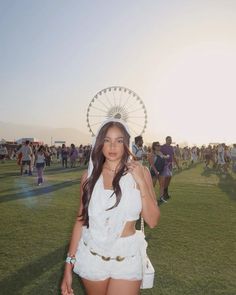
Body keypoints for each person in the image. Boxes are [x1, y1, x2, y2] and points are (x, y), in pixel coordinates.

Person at [61, 118, 160, 295]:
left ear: (126, 143)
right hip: (93, 257)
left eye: (119, 141)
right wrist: (68, 266)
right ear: (100, 143)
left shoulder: (141, 172)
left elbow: (152, 221)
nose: (113, 146)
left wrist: (141, 183)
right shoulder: (89, 177)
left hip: (127, 257)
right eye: (107, 140)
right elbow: (80, 221)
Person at [160, 136, 179, 202]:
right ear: (166, 140)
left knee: (169, 179)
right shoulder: (162, 147)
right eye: (169, 140)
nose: (170, 141)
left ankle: (166, 192)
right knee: (165, 179)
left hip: (170, 165)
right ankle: (164, 194)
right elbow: (160, 155)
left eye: (171, 140)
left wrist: (177, 165)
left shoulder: (171, 147)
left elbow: (173, 156)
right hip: (165, 165)